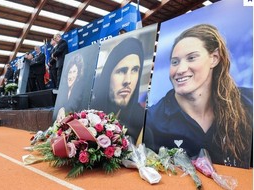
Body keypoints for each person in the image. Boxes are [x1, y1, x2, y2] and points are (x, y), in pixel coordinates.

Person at [144, 24, 253, 168]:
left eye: (191, 58)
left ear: (214, 58)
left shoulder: (248, 103)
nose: (180, 70)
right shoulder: (153, 120)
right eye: (175, 62)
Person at [90, 37, 145, 144]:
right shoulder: (90, 112)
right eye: (121, 71)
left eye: (135, 70)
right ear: (108, 75)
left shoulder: (143, 122)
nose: (128, 80)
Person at [54, 53, 85, 121]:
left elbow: (74, 105)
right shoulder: (64, 89)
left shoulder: (79, 89)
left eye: (74, 72)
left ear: (78, 74)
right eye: (69, 72)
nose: (70, 76)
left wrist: (63, 110)